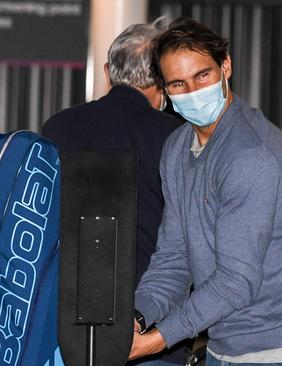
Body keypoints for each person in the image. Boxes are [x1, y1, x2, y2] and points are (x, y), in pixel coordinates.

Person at [128, 17, 282, 366]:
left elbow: (234, 282)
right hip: (225, 346)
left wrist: (156, 341)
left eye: (202, 75)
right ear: (165, 91)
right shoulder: (176, 148)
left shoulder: (251, 154)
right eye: (179, 84)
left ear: (226, 66)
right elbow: (173, 258)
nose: (194, 91)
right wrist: (136, 318)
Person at [41, 22, 187, 365]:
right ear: (161, 79)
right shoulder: (176, 137)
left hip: (72, 322)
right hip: (153, 325)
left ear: (108, 71)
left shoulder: (58, 126)